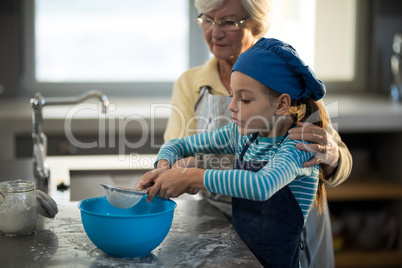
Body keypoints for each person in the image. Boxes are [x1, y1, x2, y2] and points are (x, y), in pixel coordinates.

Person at [160, 0, 353, 267]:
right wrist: (169, 165)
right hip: (232, 230)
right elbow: (179, 145)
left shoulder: (290, 86)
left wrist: (331, 156)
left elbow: (264, 184)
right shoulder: (194, 88)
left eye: (228, 21)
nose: (215, 32)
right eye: (207, 19)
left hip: (290, 242)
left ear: (256, 24)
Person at [139, 37, 331, 267]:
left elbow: (262, 186)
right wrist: (164, 167)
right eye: (232, 95)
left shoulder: (298, 147)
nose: (231, 106)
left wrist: (194, 177)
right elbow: (178, 145)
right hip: (243, 259)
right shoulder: (240, 135)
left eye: (245, 99)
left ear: (281, 104)